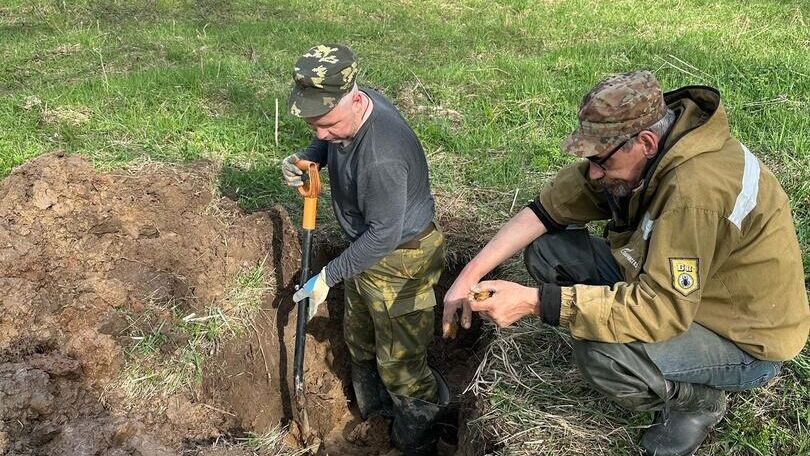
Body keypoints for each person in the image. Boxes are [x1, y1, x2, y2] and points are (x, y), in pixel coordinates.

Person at [443, 70, 809, 456]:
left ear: (646, 142)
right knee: (548, 249)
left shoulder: (694, 193)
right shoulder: (657, 149)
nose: (594, 172)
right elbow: (548, 209)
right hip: (682, 288)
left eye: (600, 160)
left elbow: (661, 310)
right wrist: (469, 275)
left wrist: (538, 302)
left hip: (741, 339)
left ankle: (698, 403)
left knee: (602, 352)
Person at [283, 44, 448, 455]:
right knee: (359, 340)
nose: (320, 134)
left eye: (327, 125)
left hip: (401, 259)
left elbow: (384, 235)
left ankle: (417, 439)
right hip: (368, 251)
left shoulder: (381, 157)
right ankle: (374, 414)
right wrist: (308, 157)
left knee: (401, 365)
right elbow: (327, 140)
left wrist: (328, 274)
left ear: (354, 101)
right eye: (313, 125)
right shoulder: (354, 105)